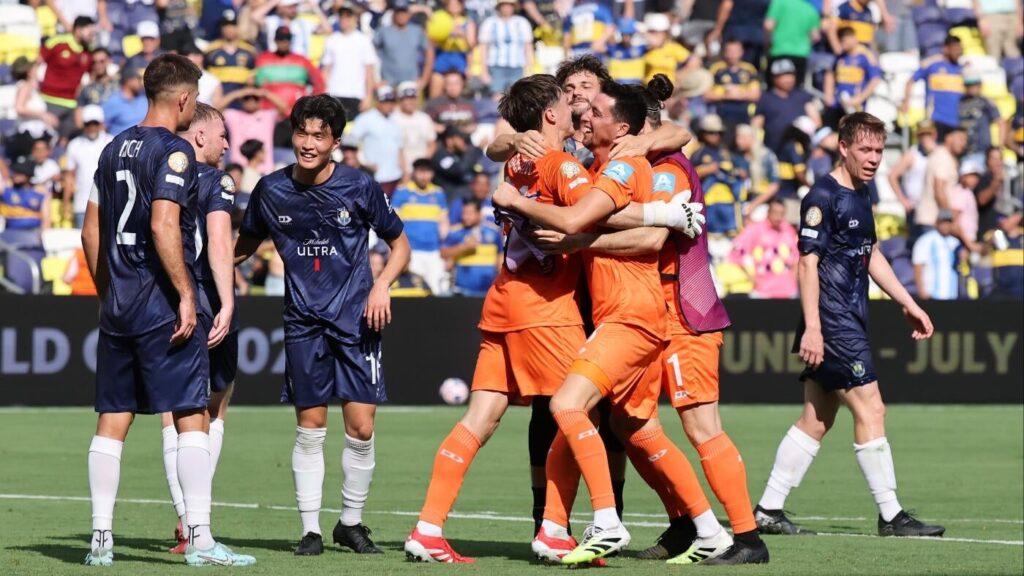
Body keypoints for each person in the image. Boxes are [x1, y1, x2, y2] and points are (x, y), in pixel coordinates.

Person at [530, 76, 767, 565]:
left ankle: (746, 537)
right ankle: (693, 525)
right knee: (630, 423)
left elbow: (651, 238)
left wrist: (580, 236)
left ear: (635, 129)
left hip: (681, 310)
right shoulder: (615, 164)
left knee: (700, 425)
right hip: (645, 310)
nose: (586, 115)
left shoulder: (666, 168)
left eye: (596, 109)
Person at [490, 79, 706, 565]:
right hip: (580, 304)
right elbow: (500, 147)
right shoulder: (570, 155)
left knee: (590, 414)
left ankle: (608, 519)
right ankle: (703, 528)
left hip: (620, 309)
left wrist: (651, 202)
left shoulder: (621, 156)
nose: (581, 103)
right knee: (612, 421)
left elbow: (596, 216)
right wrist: (661, 212)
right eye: (571, 92)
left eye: (588, 95)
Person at [404, 73, 595, 564]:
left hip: (503, 302)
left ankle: (428, 528)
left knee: (480, 418)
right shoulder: (562, 165)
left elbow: (499, 151)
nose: (574, 106)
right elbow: (593, 220)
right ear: (550, 114)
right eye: (565, 101)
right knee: (575, 414)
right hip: (546, 309)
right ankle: (555, 529)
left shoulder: (516, 162)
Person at [80, 53, 255, 567]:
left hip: (119, 304)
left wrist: (108, 292)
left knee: (113, 420)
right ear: (183, 99)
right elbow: (162, 225)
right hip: (159, 303)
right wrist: (185, 293)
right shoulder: (174, 150)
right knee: (190, 414)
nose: (194, 104)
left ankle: (100, 541)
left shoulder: (111, 147)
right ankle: (200, 539)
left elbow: (90, 231)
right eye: (195, 97)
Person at [753, 112, 945, 539]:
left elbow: (870, 253)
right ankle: (892, 516)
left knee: (817, 418)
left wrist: (908, 303)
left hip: (848, 316)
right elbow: (807, 264)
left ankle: (768, 510)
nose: (874, 158)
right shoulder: (822, 196)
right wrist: (814, 328)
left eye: (879, 150)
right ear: (843, 147)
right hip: (832, 320)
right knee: (872, 408)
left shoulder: (862, 192)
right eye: (865, 149)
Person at [234, 94, 411, 557]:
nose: (308, 143)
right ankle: (310, 530)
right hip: (303, 323)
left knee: (361, 429)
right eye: (302, 133)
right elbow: (242, 247)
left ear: (335, 142)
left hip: (357, 322)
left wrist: (382, 285)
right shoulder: (270, 190)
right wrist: (202, 272)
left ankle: (350, 523)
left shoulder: (360, 186)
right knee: (310, 428)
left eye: (319, 135)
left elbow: (400, 245)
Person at [159, 103, 238, 555]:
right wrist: (227, 301)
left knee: (172, 410)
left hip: (162, 300)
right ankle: (194, 525)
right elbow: (220, 242)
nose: (227, 144)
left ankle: (186, 518)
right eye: (222, 134)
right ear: (201, 135)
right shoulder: (215, 180)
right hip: (205, 298)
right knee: (212, 405)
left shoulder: (157, 173)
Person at [391, 159, 450, 294]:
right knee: (417, 289)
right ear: (414, 172)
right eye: (421, 172)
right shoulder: (402, 191)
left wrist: (443, 246)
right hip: (412, 251)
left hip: (433, 252)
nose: (424, 176)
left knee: (436, 290)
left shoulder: (438, 193)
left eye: (427, 172)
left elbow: (444, 222)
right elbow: (394, 221)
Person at [39, 15, 96, 139]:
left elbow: (91, 76)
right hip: (50, 100)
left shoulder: (89, 52)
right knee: (48, 139)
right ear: (78, 30)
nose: (92, 35)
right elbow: (37, 63)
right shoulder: (57, 43)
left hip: (73, 104)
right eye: (89, 31)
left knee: (68, 141)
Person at [730, 197, 799, 298]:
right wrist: (752, 277)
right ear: (768, 212)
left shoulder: (789, 230)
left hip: (788, 291)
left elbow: (797, 257)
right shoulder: (754, 229)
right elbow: (738, 252)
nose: (778, 217)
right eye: (775, 213)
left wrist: (794, 277)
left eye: (781, 213)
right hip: (762, 291)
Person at [322, 3, 379, 122]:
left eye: (348, 16)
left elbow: (369, 71)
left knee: (354, 130)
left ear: (355, 18)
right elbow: (326, 70)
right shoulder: (332, 40)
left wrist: (368, 96)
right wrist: (324, 94)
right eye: (341, 16)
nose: (344, 19)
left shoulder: (364, 40)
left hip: (356, 94)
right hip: (334, 93)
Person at [254, 26, 327, 116]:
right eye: (280, 39)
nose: (284, 42)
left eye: (287, 39)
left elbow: (319, 83)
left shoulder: (302, 60)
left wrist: (311, 106)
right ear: (275, 40)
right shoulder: (262, 59)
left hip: (297, 112)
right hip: (269, 112)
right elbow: (253, 86)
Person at [753, 58, 820, 156]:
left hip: (802, 150)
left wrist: (805, 127)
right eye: (783, 75)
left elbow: (817, 121)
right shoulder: (766, 99)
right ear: (774, 78)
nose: (788, 79)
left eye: (790, 75)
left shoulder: (802, 96)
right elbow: (756, 125)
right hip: (774, 151)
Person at [217, 87, 290, 175]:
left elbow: (284, 108)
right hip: (240, 172)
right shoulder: (233, 115)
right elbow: (216, 109)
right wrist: (237, 94)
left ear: (260, 100)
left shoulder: (268, 116)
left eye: (255, 98)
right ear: (241, 100)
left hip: (264, 170)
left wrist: (265, 94)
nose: (251, 101)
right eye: (247, 98)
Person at [0, 162, 49, 293]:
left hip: (32, 235)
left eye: (20, 173)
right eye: (15, 172)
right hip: (10, 235)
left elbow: (46, 219)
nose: (16, 175)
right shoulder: (7, 189)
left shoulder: (39, 192)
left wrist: (42, 235)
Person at [347, 85, 405, 195]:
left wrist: (404, 171)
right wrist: (363, 162)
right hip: (373, 176)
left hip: (394, 176)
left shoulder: (395, 121)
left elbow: (399, 148)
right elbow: (349, 143)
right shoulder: (365, 118)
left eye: (392, 102)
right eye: (386, 101)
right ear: (378, 102)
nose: (389, 105)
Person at [62, 105, 113, 228]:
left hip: (108, 204)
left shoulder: (112, 142)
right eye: (88, 124)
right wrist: (66, 203)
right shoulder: (74, 145)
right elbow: (69, 176)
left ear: (101, 124)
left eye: (95, 123)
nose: (91, 127)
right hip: (82, 205)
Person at [903, 35, 964, 136]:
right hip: (936, 118)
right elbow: (910, 81)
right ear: (946, 49)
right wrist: (906, 101)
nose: (958, 52)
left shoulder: (961, 69)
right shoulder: (933, 65)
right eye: (955, 49)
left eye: (960, 49)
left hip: (956, 121)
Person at [824, 26, 882, 128]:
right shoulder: (841, 57)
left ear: (853, 38)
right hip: (838, 104)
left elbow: (875, 79)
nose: (843, 44)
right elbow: (830, 74)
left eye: (845, 41)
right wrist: (828, 94)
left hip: (855, 107)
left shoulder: (866, 56)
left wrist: (859, 98)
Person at [442, 198, 502, 296]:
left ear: (479, 214)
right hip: (462, 291)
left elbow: (500, 256)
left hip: (488, 291)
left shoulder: (493, 232)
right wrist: (464, 247)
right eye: (463, 213)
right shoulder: (456, 233)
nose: (465, 217)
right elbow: (443, 253)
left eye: (469, 213)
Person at [917, 126, 967, 237]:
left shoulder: (945, 156)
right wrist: (949, 219)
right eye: (960, 139)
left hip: (935, 221)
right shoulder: (942, 157)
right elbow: (939, 190)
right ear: (948, 138)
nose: (963, 144)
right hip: (933, 221)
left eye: (965, 140)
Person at [478, 0, 534, 96]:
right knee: (497, 96)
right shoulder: (490, 23)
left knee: (517, 96)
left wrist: (529, 68)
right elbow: (483, 48)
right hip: (496, 66)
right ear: (499, 7)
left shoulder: (522, 22)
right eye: (503, 5)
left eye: (509, 5)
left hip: (517, 66)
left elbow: (528, 47)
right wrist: (484, 71)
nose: (506, 8)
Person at [375, 0, 434, 89]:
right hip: (388, 82)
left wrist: (424, 79)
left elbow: (429, 52)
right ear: (394, 13)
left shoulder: (417, 31)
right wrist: (376, 79)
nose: (401, 15)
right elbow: (371, 54)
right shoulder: (383, 32)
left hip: (411, 81)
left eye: (404, 12)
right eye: (398, 12)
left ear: (408, 14)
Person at [706, 38, 761, 133]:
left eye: (735, 51)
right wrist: (725, 95)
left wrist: (738, 94)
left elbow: (756, 95)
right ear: (724, 52)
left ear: (742, 52)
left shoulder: (749, 69)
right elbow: (707, 95)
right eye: (729, 51)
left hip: (744, 115)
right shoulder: (716, 69)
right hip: (721, 114)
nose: (732, 54)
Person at [887, 120, 938, 223]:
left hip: (935, 207)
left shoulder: (940, 153)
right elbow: (892, 176)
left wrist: (935, 153)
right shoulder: (911, 155)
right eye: (922, 135)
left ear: (934, 135)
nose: (925, 138)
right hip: (916, 209)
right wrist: (903, 200)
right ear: (917, 136)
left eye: (928, 134)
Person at [205, 10, 259, 100]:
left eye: (233, 25)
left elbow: (252, 77)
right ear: (221, 28)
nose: (229, 29)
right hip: (217, 98)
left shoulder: (249, 51)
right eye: (226, 25)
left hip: (242, 100)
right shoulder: (210, 50)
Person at [764, 0, 820, 85]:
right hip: (801, 54)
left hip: (779, 50)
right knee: (796, 88)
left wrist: (767, 44)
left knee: (775, 88)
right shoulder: (810, 9)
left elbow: (768, 26)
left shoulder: (779, 3)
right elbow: (815, 36)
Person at [429, 0, 476, 98]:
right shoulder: (440, 18)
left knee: (457, 90)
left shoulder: (467, 22)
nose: (453, 6)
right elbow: (432, 39)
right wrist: (445, 33)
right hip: (443, 55)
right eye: (451, 4)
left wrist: (463, 35)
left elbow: (471, 46)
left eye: (456, 4)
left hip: (459, 57)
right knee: (436, 83)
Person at [912, 209, 962, 300]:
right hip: (932, 295)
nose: (946, 226)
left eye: (948, 222)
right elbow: (918, 265)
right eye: (943, 222)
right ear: (937, 223)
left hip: (952, 295)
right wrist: (921, 289)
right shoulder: (926, 240)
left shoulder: (955, 242)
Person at [958, 72, 1006, 163]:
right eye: (968, 85)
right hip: (964, 151)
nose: (971, 88)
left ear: (979, 85)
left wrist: (1000, 147)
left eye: (974, 85)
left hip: (983, 151)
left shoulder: (986, 102)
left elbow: (1001, 123)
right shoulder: (960, 102)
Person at [394, 82, 438, 175]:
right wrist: (404, 170)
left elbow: (432, 143)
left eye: (413, 98)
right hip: (397, 169)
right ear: (400, 100)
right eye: (406, 98)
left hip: (420, 170)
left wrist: (422, 165)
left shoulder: (424, 118)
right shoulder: (393, 119)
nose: (410, 102)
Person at [985, 209, 1024, 300]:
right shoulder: (994, 235)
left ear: (1017, 217)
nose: (1002, 221)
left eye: (1005, 218)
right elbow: (981, 251)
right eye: (1000, 219)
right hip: (1001, 289)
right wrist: (989, 243)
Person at [102, 65, 149, 137]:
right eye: (138, 79)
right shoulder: (113, 102)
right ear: (129, 81)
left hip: (145, 141)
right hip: (121, 142)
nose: (141, 83)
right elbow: (102, 126)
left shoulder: (144, 99)